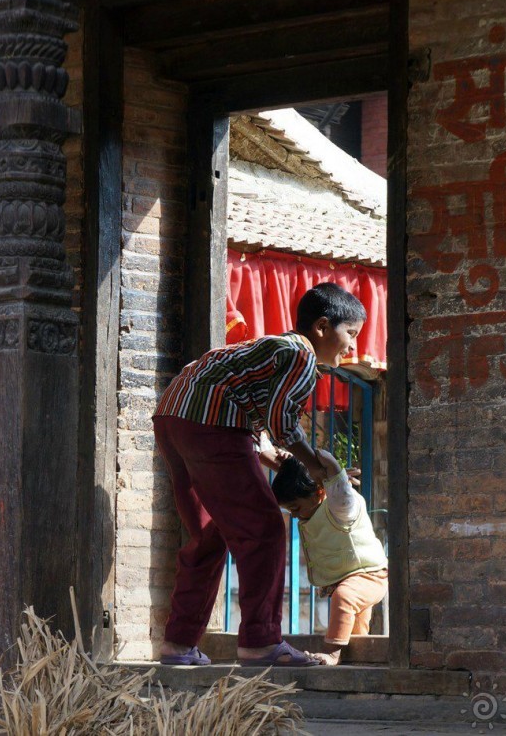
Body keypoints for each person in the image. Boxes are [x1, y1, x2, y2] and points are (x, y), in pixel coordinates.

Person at [152, 282, 366, 666]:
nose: (353, 346)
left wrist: (301, 466)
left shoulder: (273, 348)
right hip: (212, 421)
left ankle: (178, 645)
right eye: (350, 334)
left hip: (175, 415)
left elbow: (264, 441)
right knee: (265, 530)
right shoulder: (301, 353)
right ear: (321, 328)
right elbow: (283, 423)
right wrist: (317, 466)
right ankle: (261, 642)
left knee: (209, 536)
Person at [272, 455, 388, 666]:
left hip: (370, 574)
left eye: (296, 509)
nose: (295, 516)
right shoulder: (316, 506)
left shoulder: (341, 508)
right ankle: (351, 665)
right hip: (351, 577)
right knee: (356, 638)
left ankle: (332, 653)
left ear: (320, 491)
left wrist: (334, 468)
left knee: (344, 597)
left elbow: (340, 491)